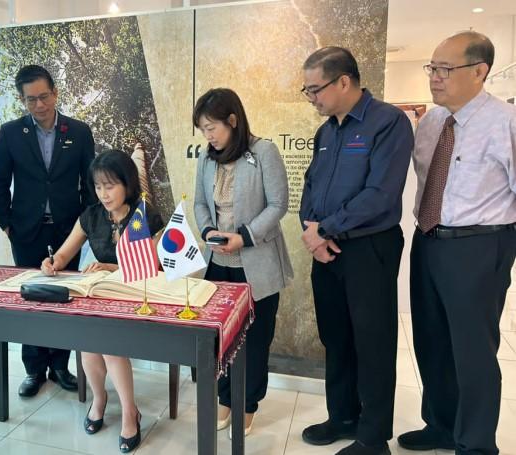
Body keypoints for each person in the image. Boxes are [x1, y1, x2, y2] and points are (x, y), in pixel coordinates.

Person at [398, 31, 516, 455]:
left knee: (473, 351)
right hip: (429, 240)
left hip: (479, 245)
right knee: (431, 340)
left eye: (445, 69)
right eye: (432, 67)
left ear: (480, 72)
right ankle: (441, 426)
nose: (435, 77)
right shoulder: (432, 122)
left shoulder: (506, 121)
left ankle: (477, 444)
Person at [298, 47, 413, 455]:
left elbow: (380, 195)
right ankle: (342, 416)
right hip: (327, 250)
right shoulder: (326, 132)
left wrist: (326, 228)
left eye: (315, 89)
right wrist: (312, 231)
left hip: (369, 248)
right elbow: (311, 186)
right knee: (336, 337)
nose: (311, 97)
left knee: (372, 341)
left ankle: (373, 436)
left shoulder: (389, 122)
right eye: (307, 90)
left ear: (344, 81)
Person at [40, 149, 162, 453]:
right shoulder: (91, 216)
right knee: (89, 344)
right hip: (101, 296)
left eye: (110, 186)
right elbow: (64, 253)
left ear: (127, 184)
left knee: (108, 344)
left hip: (137, 296)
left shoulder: (144, 215)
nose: (103, 194)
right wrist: (53, 263)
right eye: (98, 186)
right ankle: (100, 398)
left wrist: (110, 267)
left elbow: (153, 265)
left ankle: (130, 413)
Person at [193, 88, 293, 438]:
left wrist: (245, 236)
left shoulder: (263, 152)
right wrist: (208, 231)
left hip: (256, 264)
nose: (208, 136)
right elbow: (200, 203)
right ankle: (225, 397)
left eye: (212, 128)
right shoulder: (206, 158)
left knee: (255, 339)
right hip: (219, 263)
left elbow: (278, 204)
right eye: (203, 130)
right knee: (221, 339)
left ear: (232, 121)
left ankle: (248, 404)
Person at [0, 64, 95, 397]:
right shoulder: (10, 133)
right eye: (31, 99)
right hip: (26, 230)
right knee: (30, 300)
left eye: (44, 96)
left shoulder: (78, 132)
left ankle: (61, 365)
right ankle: (34, 369)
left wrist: (85, 225)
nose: (39, 105)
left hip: (68, 231)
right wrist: (7, 224)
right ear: (22, 101)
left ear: (55, 93)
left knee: (64, 298)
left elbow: (90, 184)